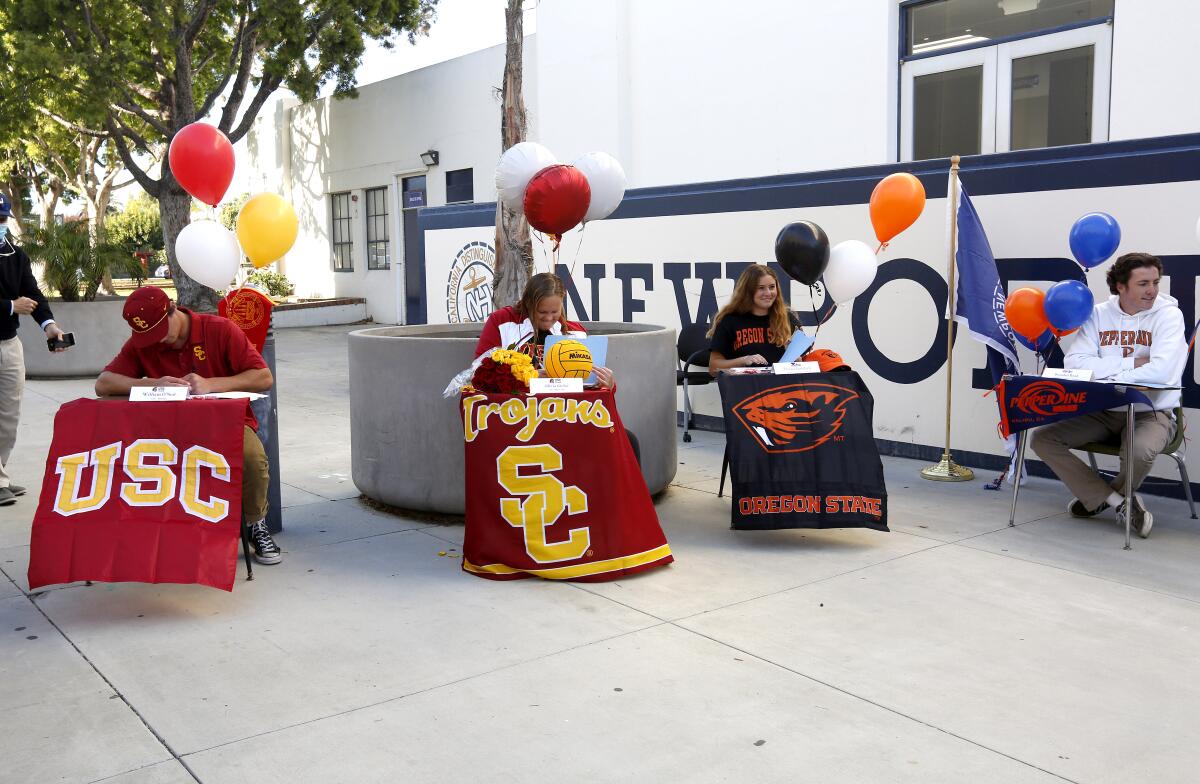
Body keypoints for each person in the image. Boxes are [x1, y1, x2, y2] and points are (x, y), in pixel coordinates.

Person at [95, 286, 281, 564]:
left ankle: (256, 523)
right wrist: (149, 383)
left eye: (160, 334)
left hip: (224, 421)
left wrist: (211, 384)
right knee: (123, 457)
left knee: (252, 459)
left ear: (172, 310)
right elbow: (104, 384)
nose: (156, 343)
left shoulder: (219, 329)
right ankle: (153, 531)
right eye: (147, 338)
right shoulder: (145, 342)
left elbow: (263, 377)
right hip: (167, 427)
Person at [1031, 253, 1187, 539]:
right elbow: (1075, 363)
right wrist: (1134, 364)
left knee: (1139, 450)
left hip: (1151, 411)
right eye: (1142, 284)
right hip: (1103, 410)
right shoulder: (1099, 314)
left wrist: (1104, 372)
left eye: (1155, 282)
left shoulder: (1169, 316)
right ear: (1120, 286)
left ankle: (1101, 497)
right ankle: (1119, 503)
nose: (1152, 290)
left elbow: (1162, 373)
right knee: (1042, 439)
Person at [0, 195, 71, 506]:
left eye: (3, 219)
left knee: (8, 417)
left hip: (8, 344)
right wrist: (9, 306)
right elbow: (17, 302)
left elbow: (33, 294)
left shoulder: (16, 255)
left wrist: (50, 326)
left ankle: (0, 473)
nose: (1, 226)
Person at [475, 272, 614, 389]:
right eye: (542, 312)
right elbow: (480, 372)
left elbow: (590, 383)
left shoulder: (575, 332)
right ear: (528, 303)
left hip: (563, 411)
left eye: (554, 311)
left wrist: (608, 384)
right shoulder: (502, 321)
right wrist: (529, 379)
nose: (548, 318)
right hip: (516, 410)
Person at [707, 264, 798, 375]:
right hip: (746, 387)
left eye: (772, 287)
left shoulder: (787, 318)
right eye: (761, 288)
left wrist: (795, 356)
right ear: (748, 291)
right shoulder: (729, 321)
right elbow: (713, 368)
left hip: (781, 386)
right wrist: (744, 360)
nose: (768, 293)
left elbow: (800, 363)